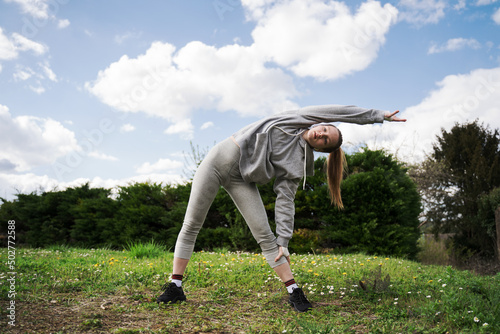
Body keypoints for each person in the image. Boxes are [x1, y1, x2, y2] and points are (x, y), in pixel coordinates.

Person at [157, 105, 406, 312]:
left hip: (241, 179)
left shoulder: (298, 165)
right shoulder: (295, 120)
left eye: (326, 139)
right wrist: (376, 116)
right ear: (321, 123)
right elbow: (339, 111)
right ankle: (175, 287)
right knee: (191, 224)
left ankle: (294, 291)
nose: (321, 133)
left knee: (267, 238)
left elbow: (286, 200)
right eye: (325, 129)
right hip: (217, 161)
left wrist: (284, 240)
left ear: (320, 149)